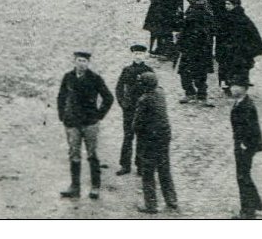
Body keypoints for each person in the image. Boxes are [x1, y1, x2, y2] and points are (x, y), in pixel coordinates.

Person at [55, 50, 113, 200]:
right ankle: (74, 186)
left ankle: (95, 186)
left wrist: (99, 115)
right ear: (74, 61)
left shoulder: (95, 78)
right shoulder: (68, 77)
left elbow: (108, 98)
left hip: (89, 123)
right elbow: (61, 97)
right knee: (74, 154)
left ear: (88, 63)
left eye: (85, 61)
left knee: (92, 154)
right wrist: (62, 115)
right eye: (79, 60)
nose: (82, 64)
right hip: (72, 123)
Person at [130, 71, 179, 214]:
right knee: (164, 168)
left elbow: (137, 124)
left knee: (148, 172)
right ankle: (171, 199)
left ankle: (150, 205)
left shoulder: (144, 99)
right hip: (164, 136)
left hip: (149, 140)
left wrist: (138, 133)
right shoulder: (160, 93)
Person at [113, 43, 154, 176]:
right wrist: (122, 102)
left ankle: (141, 166)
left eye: (141, 54)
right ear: (132, 55)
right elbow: (119, 88)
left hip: (143, 109)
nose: (138, 56)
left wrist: (149, 106)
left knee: (142, 137)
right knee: (128, 137)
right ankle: (125, 165)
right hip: (129, 109)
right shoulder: (127, 70)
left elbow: (153, 90)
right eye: (136, 54)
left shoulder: (149, 70)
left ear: (145, 55)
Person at [228, 79, 262, 219]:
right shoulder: (240, 102)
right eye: (232, 86)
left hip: (245, 146)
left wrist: (244, 144)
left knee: (242, 176)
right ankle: (256, 204)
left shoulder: (246, 106)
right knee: (244, 175)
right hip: (242, 144)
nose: (233, 89)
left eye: (236, 86)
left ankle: (247, 212)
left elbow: (249, 128)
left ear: (244, 88)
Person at [215, 0, 262, 91]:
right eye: (226, 4)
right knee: (231, 67)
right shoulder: (230, 16)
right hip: (231, 48)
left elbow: (249, 34)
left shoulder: (240, 19)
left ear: (235, 5)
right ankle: (231, 84)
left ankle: (236, 86)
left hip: (237, 49)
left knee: (236, 67)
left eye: (228, 4)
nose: (226, 6)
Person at [175, 0, 216, 105]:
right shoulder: (197, 6)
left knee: (196, 72)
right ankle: (193, 93)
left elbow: (199, 29)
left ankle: (199, 95)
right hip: (194, 46)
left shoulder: (200, 9)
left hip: (196, 47)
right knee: (188, 71)